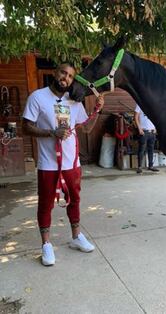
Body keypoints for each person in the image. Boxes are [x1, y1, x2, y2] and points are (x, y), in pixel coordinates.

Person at [22, 63, 104, 266]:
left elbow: (86, 128)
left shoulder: (74, 102)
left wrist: (97, 110)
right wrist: (51, 133)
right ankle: (46, 245)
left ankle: (76, 237)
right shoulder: (37, 97)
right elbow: (26, 127)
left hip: (72, 163)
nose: (65, 78)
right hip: (48, 164)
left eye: (69, 76)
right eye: (63, 73)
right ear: (54, 73)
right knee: (46, 204)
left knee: (74, 200)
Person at [134, 104, 159, 173]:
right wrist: (139, 128)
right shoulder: (139, 104)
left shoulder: (152, 104)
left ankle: (151, 166)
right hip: (144, 131)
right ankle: (139, 167)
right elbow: (135, 116)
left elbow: (156, 117)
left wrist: (156, 128)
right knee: (141, 149)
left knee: (151, 149)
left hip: (152, 131)